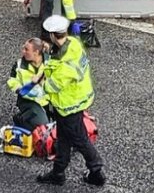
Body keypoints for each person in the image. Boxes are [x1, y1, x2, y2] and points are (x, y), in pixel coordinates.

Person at [35, 14, 106, 187]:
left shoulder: (63, 66)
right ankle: (58, 173)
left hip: (68, 107)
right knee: (63, 140)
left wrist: (39, 79)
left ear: (52, 35)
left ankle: (97, 172)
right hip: (75, 102)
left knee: (79, 139)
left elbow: (50, 86)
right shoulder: (74, 44)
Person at [5, 38, 49, 131]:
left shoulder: (50, 62)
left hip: (48, 99)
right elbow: (12, 80)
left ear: (36, 52)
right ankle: (20, 119)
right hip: (28, 100)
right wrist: (19, 89)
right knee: (42, 127)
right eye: (23, 48)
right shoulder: (19, 64)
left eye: (26, 49)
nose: (23, 51)